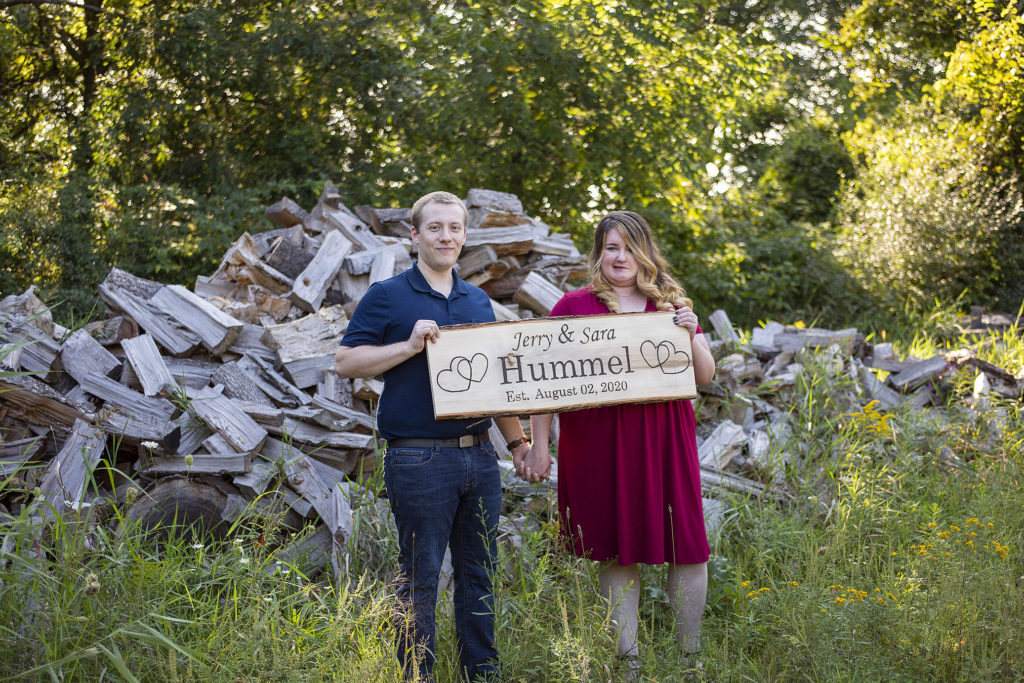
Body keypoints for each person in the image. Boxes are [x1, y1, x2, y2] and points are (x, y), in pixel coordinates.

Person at [335, 191, 532, 682]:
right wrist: (407, 346)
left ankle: (481, 674)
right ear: (414, 234)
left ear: (464, 236)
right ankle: (416, 676)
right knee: (419, 579)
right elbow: (345, 362)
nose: (447, 237)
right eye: (436, 228)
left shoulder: (477, 299)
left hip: (480, 459)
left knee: (479, 576)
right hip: (419, 459)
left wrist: (517, 444)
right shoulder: (388, 295)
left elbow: (493, 383)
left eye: (455, 228)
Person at [519, 210, 716, 674]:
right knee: (614, 546)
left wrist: (691, 333)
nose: (621, 257)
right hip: (598, 441)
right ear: (598, 255)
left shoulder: (670, 307)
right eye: (611, 248)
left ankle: (690, 658)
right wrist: (540, 443)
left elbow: (705, 376)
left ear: (645, 253)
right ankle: (629, 661)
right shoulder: (573, 307)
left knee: (685, 543)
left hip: (664, 436)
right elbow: (544, 384)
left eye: (630, 247)